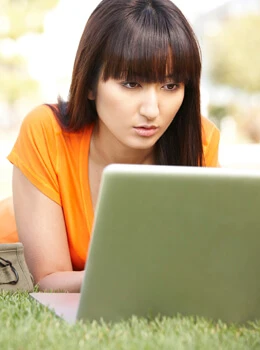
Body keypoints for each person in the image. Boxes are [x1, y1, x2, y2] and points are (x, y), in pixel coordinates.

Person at [1, 0, 220, 292]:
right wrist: (147, 279)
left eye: (170, 86)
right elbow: (49, 280)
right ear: (90, 84)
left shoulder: (199, 141)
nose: (152, 110)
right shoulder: (46, 131)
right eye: (131, 84)